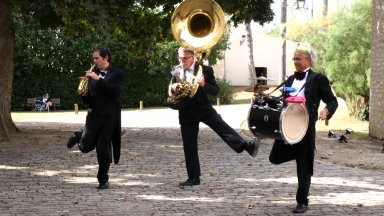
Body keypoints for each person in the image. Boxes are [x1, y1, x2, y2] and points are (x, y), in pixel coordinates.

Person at [169, 47, 259, 188]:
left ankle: (247, 146)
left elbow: (216, 90)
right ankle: (193, 178)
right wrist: (173, 87)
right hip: (186, 111)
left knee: (222, 127)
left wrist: (204, 85)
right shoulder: (176, 69)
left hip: (203, 108)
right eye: (180, 58)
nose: (181, 61)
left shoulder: (205, 70)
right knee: (189, 145)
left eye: (184, 58)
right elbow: (171, 89)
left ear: (192, 57)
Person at [268, 45, 338, 213]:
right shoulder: (291, 79)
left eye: (298, 59)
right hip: (287, 127)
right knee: (274, 158)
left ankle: (302, 202)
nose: (295, 62)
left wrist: (327, 110)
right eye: (294, 59)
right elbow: (284, 100)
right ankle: (298, 154)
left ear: (308, 60)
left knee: (304, 167)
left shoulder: (318, 79)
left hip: (305, 127)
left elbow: (332, 100)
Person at [66, 46, 124, 190]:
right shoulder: (91, 75)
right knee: (85, 147)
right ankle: (79, 135)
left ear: (106, 58)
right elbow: (88, 100)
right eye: (93, 58)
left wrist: (98, 80)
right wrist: (84, 93)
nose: (94, 61)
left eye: (97, 58)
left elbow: (115, 92)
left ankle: (103, 179)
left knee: (102, 148)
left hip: (110, 116)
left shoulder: (117, 74)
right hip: (94, 115)